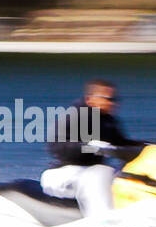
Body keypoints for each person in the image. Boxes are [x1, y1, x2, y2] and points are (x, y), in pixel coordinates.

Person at [40, 79, 145, 216]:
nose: (113, 103)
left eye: (115, 99)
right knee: (101, 172)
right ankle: (104, 224)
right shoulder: (74, 116)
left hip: (88, 172)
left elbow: (120, 143)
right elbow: (56, 146)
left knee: (129, 177)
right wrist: (91, 147)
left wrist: (147, 147)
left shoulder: (107, 121)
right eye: (109, 99)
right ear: (90, 99)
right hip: (64, 173)